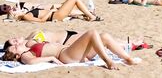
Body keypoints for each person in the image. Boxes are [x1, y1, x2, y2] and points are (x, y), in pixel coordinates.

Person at [2, 30, 138, 70]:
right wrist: (51, 58)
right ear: (16, 56)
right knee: (92, 33)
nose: (16, 45)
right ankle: (108, 61)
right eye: (14, 47)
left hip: (70, 51)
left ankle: (128, 59)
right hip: (65, 55)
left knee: (105, 36)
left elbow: (35, 36)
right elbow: (31, 63)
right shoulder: (25, 56)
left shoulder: (29, 46)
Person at [8, 0, 102, 22]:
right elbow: (41, 21)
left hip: (55, 14)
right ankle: (91, 16)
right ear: (16, 16)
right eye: (13, 12)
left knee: (71, 3)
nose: (14, 9)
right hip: (55, 15)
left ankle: (88, 14)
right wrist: (50, 11)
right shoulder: (25, 17)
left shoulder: (25, 13)